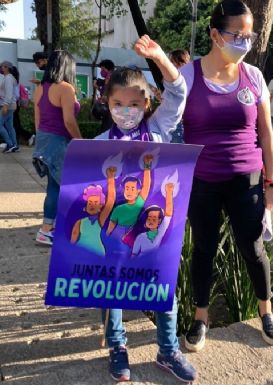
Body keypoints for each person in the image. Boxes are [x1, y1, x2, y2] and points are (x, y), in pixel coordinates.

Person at [177, 0, 273, 352]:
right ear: (214, 34)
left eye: (248, 35)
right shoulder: (189, 75)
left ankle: (266, 311)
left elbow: (266, 133)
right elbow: (166, 123)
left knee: (252, 248)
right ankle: (201, 318)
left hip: (247, 179)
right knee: (204, 249)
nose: (243, 41)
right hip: (202, 182)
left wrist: (271, 182)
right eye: (236, 34)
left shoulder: (252, 77)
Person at [94, 35, 197, 383]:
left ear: (149, 102)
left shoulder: (157, 132)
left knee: (163, 286)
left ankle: (167, 350)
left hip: (155, 228)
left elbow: (179, 92)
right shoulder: (96, 147)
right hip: (115, 232)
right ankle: (117, 346)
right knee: (113, 289)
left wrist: (159, 58)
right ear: (106, 103)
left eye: (134, 104)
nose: (126, 111)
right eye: (118, 103)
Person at [31, 50, 83, 246]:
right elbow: (69, 121)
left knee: (54, 187)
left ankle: (48, 228)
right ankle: (50, 230)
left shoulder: (40, 89)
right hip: (59, 141)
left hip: (44, 141)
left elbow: (37, 123)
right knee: (67, 187)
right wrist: (81, 142)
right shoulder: (65, 88)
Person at [0, 61, 20, 153]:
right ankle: (15, 145)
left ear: (6, 67)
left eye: (1, 67)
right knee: (9, 126)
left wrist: (5, 106)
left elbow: (9, 94)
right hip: (10, 105)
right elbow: (6, 92)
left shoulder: (8, 78)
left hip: (7, 106)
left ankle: (10, 144)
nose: (0, 69)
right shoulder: (8, 78)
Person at [168, 49, 191, 144]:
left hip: (179, 122)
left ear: (180, 62)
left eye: (171, 62)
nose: (169, 65)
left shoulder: (182, 80)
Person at [10, 66, 35, 147]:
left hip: (13, 104)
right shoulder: (13, 81)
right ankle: (16, 141)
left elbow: (16, 95)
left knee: (14, 124)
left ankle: (27, 136)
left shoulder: (13, 82)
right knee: (14, 124)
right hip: (14, 104)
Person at [92, 59, 116, 131]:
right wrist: (99, 88)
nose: (101, 71)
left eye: (102, 69)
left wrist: (103, 98)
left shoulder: (111, 77)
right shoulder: (109, 78)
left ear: (108, 68)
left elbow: (109, 96)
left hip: (112, 113)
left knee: (107, 131)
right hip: (110, 112)